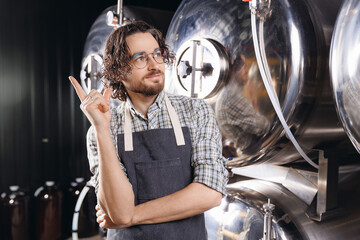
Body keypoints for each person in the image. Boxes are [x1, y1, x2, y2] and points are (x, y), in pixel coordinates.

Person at [69, 20, 228, 240]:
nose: (155, 65)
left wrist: (130, 216)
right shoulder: (104, 130)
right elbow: (117, 207)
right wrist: (101, 128)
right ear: (117, 73)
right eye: (140, 58)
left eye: (157, 54)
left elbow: (209, 194)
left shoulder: (195, 111)